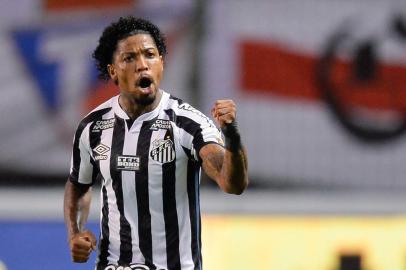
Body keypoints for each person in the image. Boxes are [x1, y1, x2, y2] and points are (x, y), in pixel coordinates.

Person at [63, 16, 248, 270]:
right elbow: (79, 185)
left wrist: (233, 136)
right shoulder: (93, 127)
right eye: (129, 58)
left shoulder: (187, 123)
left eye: (150, 55)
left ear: (161, 63)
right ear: (113, 72)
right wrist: (76, 231)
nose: (142, 65)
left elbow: (233, 183)